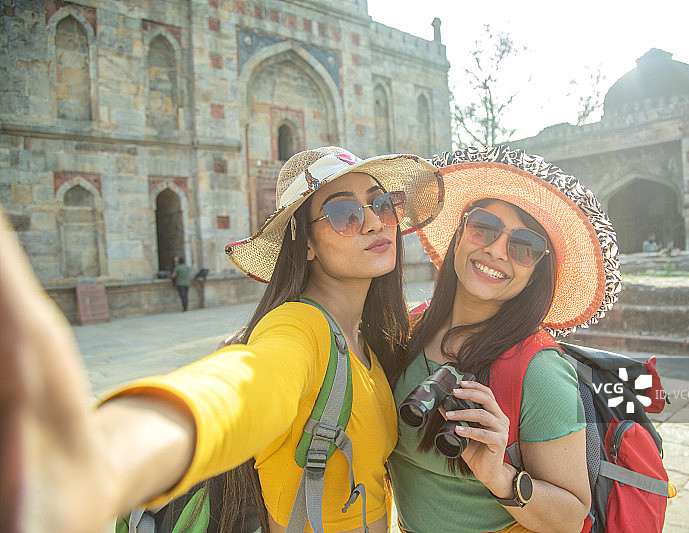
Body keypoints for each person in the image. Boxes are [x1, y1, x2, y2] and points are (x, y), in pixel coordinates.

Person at [0, 146, 444, 533]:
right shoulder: (299, 329)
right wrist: (106, 458)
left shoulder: (367, 339)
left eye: (383, 204)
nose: (373, 223)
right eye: (345, 213)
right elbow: (242, 390)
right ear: (305, 242)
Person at [386, 148, 620, 533]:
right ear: (460, 234)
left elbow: (571, 514)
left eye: (524, 246)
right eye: (484, 227)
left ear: (536, 272)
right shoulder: (410, 328)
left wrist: (500, 475)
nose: (496, 250)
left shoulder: (540, 371)